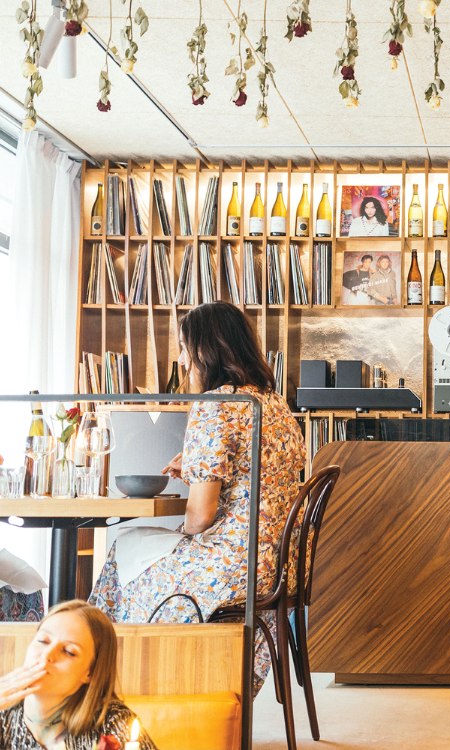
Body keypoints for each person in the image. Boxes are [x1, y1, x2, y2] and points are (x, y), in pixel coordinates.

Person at [90, 301, 306, 695]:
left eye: (185, 347)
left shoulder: (217, 405)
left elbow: (200, 518)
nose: (182, 358)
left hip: (231, 569)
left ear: (204, 350)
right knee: (140, 548)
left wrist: (191, 509)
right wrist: (196, 464)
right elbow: (255, 474)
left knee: (124, 550)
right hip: (277, 567)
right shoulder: (275, 405)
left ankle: (116, 684)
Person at [0, 599, 157, 749]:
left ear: (90, 672)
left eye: (69, 652)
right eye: (43, 641)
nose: (47, 654)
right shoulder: (3, 715)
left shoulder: (112, 723)